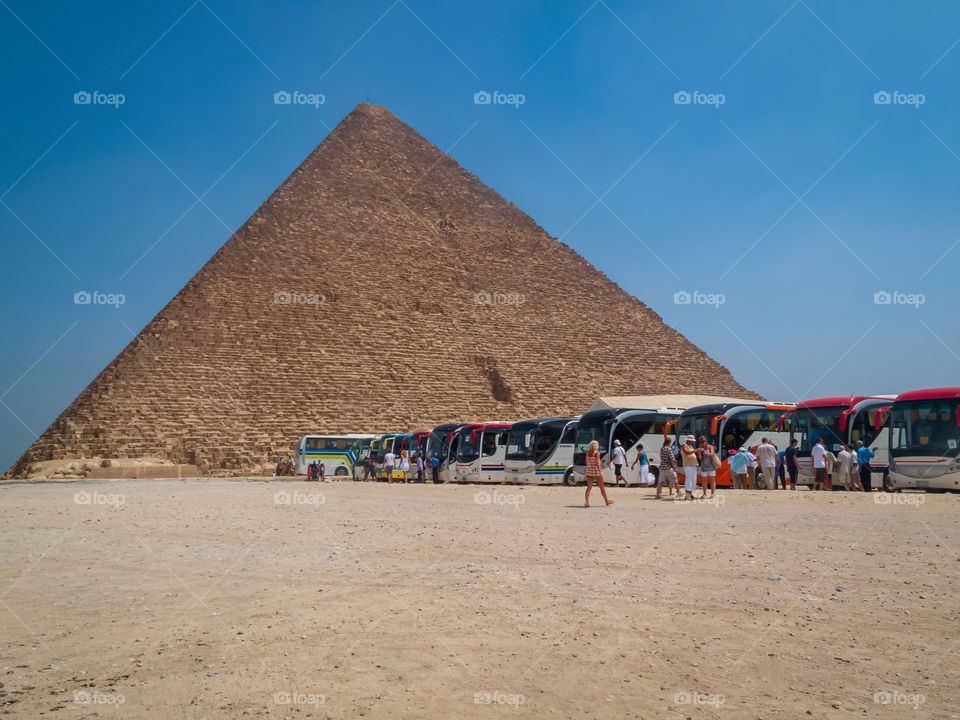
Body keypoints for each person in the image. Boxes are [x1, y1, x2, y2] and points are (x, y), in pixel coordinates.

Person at [585, 440, 614, 507]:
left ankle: (586, 502)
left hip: (589, 471)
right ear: (596, 446)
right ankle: (606, 501)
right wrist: (600, 471)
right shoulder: (597, 453)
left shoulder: (587, 453)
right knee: (601, 487)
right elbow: (597, 463)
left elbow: (586, 463)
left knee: (589, 487)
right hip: (596, 471)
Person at [680, 435, 699, 501]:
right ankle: (687, 495)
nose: (693, 442)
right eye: (692, 441)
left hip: (693, 465)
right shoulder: (684, 445)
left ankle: (690, 494)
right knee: (688, 480)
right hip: (687, 465)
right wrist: (696, 451)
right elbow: (687, 452)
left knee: (693, 480)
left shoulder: (690, 446)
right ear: (688, 440)